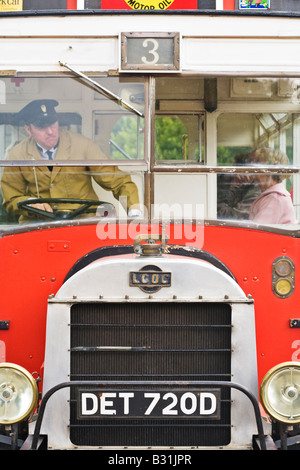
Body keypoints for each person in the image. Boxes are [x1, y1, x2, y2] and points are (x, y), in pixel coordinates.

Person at [1, 100, 140, 223]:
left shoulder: (84, 146)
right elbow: (10, 199)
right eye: (42, 127)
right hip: (38, 225)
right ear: (28, 130)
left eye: (53, 124)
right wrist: (30, 204)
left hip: (83, 223)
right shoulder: (17, 154)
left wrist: (134, 211)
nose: (50, 131)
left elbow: (119, 182)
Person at [249, 148, 297, 224]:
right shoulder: (272, 195)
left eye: (258, 163)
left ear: (270, 171)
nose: (253, 167)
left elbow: (257, 229)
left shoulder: (275, 198)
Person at [217, 152, 261, 220]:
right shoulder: (243, 186)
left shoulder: (255, 190)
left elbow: (229, 216)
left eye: (234, 169)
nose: (231, 172)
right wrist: (226, 179)